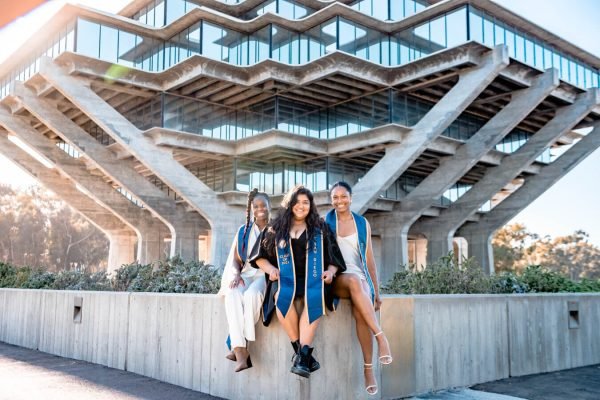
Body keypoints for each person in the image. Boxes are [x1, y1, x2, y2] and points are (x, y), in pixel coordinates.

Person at [252, 185, 345, 378]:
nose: (301, 206)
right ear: (290, 204)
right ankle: (303, 356)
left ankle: (301, 358)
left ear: (310, 205)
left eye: (306, 202)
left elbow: (335, 257)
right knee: (281, 297)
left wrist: (330, 271)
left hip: (314, 279)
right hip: (285, 279)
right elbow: (258, 256)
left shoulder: (320, 228)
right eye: (297, 202)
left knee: (316, 297)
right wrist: (270, 270)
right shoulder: (275, 228)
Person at [326, 181, 392, 396]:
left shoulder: (362, 223)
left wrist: (377, 292)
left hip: (360, 277)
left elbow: (370, 261)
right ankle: (381, 337)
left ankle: (368, 370)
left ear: (351, 198)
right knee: (355, 281)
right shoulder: (326, 222)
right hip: (337, 277)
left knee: (361, 311)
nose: (339, 201)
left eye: (343, 196)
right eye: (335, 197)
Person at [218, 189, 271, 372]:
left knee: (252, 296)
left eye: (263, 205)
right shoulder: (244, 231)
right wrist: (235, 274)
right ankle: (241, 352)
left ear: (270, 206)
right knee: (232, 294)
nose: (260, 209)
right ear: (251, 209)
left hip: (265, 275)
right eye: (256, 206)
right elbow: (235, 259)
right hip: (246, 274)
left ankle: (238, 344)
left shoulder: (277, 229)